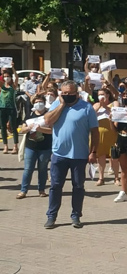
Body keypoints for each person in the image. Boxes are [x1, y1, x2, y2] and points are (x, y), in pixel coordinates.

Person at [42, 80, 100, 229]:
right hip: (59, 154)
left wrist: (93, 151)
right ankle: (51, 216)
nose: (67, 95)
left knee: (78, 186)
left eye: (70, 93)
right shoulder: (57, 104)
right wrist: (61, 105)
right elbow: (48, 120)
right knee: (55, 186)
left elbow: (95, 132)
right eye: (64, 93)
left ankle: (76, 215)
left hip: (79, 155)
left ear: (77, 93)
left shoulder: (86, 108)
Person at [17, 93, 52, 199]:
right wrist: (28, 128)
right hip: (31, 146)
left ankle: (41, 190)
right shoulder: (29, 115)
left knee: (42, 169)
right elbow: (22, 129)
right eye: (36, 102)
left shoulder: (49, 115)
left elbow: (52, 130)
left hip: (45, 147)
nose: (38, 104)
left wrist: (41, 129)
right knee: (28, 169)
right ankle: (23, 191)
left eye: (40, 102)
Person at [93, 87, 118, 186]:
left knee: (114, 157)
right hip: (99, 133)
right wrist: (100, 106)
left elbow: (116, 112)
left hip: (111, 132)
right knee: (101, 157)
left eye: (102, 94)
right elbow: (92, 115)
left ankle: (116, 177)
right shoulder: (96, 105)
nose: (100, 96)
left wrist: (106, 106)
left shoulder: (114, 103)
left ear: (107, 95)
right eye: (99, 94)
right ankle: (101, 178)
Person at [1, 65, 19, 154]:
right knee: (3, 127)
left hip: (11, 108)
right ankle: (5, 146)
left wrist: (13, 68)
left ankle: (15, 146)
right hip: (2, 108)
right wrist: (1, 70)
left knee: (13, 127)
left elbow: (16, 77)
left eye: (7, 76)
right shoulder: (2, 85)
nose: (6, 78)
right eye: (4, 77)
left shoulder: (13, 86)